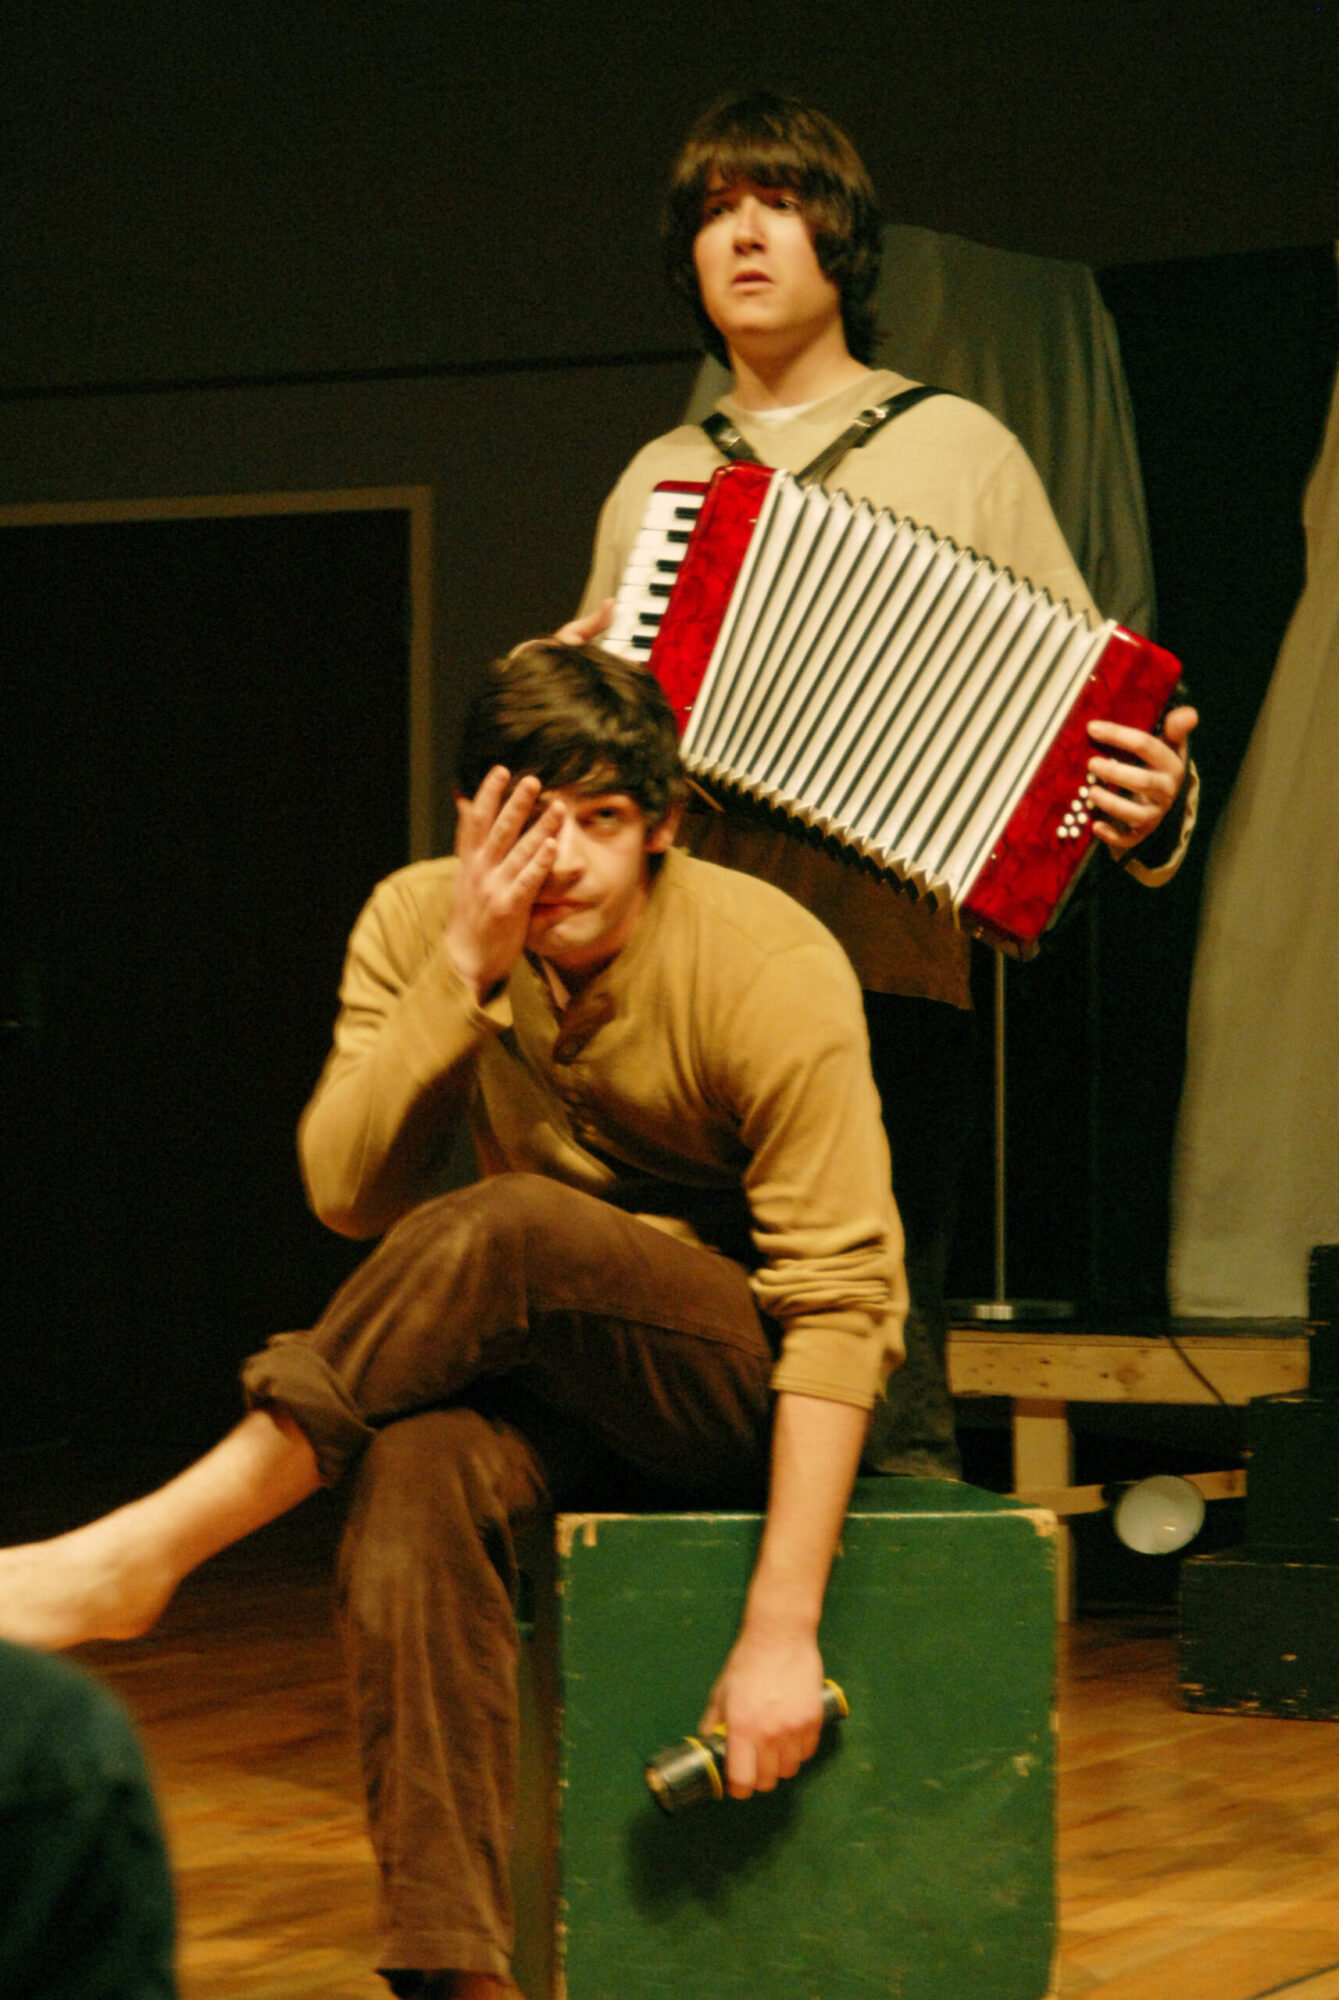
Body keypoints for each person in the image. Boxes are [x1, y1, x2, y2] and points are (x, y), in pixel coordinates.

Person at [0, 642, 904, 1999]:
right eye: (534, 821)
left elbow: (844, 1304)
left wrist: (783, 1623)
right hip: (546, 1361)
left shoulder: (766, 959)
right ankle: (450, 1976)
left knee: (509, 1225)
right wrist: (462, 976)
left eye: (604, 823)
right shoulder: (420, 918)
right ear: (481, 818)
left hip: (738, 1382)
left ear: (663, 825)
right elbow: (347, 1192)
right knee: (416, 1476)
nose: (568, 863)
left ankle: (146, 1552)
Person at [563, 90, 1200, 1479]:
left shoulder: (960, 449)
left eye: (778, 202)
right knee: (696, 1322)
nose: (745, 235)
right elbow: (597, 757)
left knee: (878, 1333)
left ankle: (889, 1625)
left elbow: (1087, 722)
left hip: (890, 966)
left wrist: (1150, 809)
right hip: (685, 968)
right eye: (716, 211)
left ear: (842, 242)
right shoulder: (660, 483)